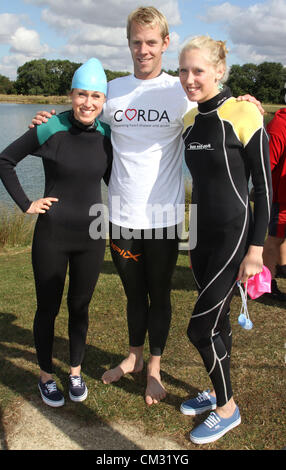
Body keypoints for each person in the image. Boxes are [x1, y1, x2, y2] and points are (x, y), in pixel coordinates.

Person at [30, 7, 264, 407]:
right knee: (133, 295)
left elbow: (214, 107)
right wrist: (49, 120)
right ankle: (133, 357)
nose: (143, 49)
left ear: (165, 44)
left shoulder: (181, 89)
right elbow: (81, 119)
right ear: (129, 43)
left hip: (166, 217)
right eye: (136, 42)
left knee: (160, 293)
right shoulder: (114, 90)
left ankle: (154, 367)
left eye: (151, 42)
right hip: (119, 215)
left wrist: (246, 101)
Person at [0, 58, 112, 407]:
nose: (88, 103)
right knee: (47, 307)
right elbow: (5, 161)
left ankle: (75, 372)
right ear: (71, 94)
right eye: (81, 94)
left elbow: (117, 180)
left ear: (104, 100)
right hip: (52, 234)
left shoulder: (108, 135)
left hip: (92, 237)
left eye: (95, 96)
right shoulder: (51, 127)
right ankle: (46, 375)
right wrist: (26, 204)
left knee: (80, 306)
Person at [179, 36, 272, 444]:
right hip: (200, 236)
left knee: (199, 330)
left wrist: (256, 250)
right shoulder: (187, 121)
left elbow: (263, 191)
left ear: (219, 71)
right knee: (217, 327)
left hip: (234, 238)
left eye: (198, 70)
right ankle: (220, 393)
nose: (189, 78)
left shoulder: (245, 115)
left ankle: (228, 409)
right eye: (183, 70)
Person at [262, 108, 286, 300]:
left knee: (282, 236)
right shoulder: (279, 124)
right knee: (275, 237)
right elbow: (268, 163)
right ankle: (267, 283)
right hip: (280, 193)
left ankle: (282, 267)